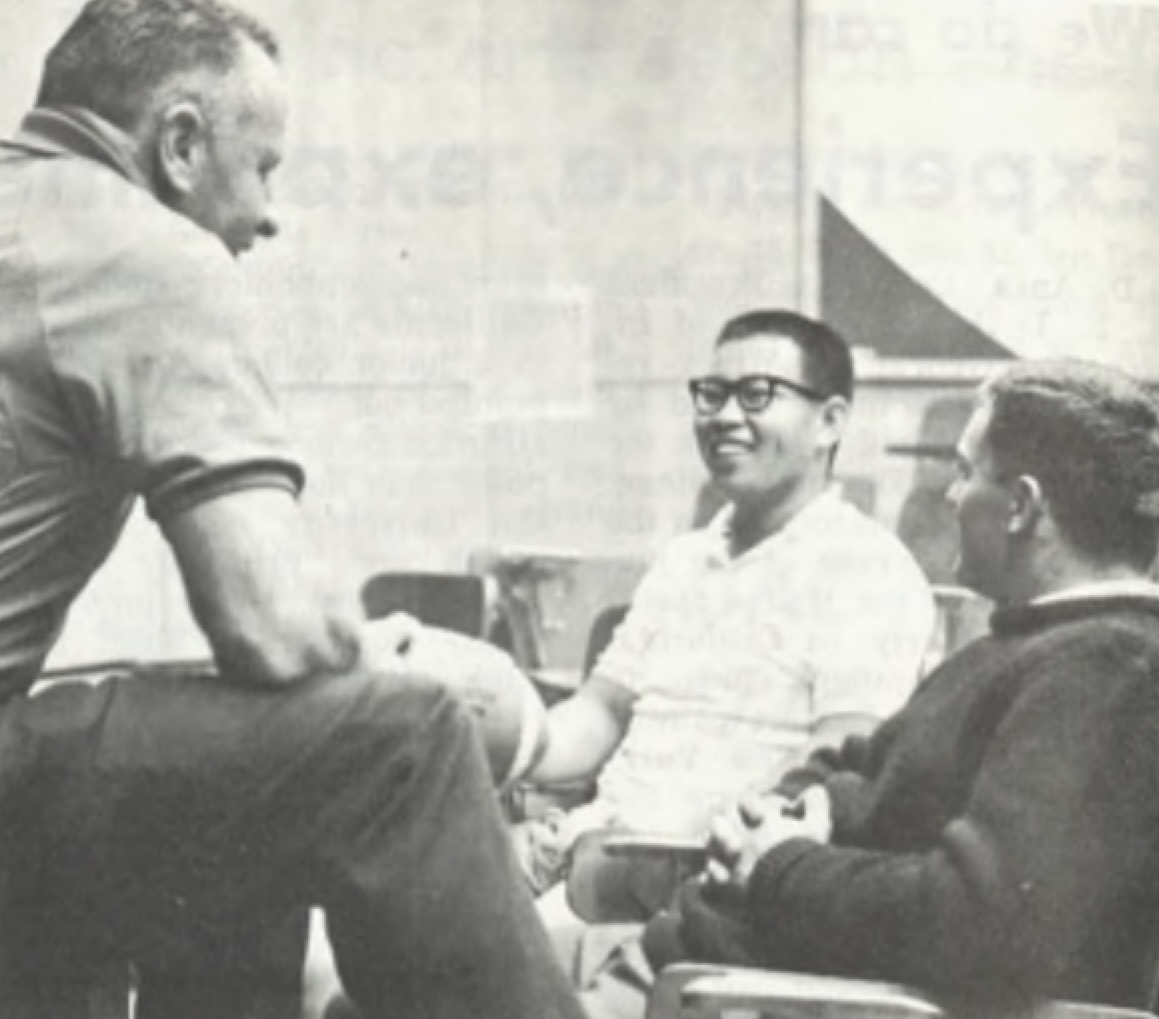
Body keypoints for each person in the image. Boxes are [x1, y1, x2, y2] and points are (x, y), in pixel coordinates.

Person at [0, 2, 584, 1017]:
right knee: (395, 738)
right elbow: (264, 624)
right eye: (263, 167)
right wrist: (379, 650)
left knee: (260, 760)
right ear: (180, 142)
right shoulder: (140, 247)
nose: (269, 214)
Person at [582, 359, 1159, 1018]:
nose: (948, 495)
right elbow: (866, 761)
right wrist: (817, 806)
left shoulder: (1107, 672)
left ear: (1021, 506)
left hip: (733, 994)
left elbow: (983, 918)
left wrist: (776, 865)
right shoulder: (1019, 645)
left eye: (964, 471)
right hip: (694, 967)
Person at [516, 311, 935, 912]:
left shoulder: (867, 570)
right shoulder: (683, 559)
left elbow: (837, 763)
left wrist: (641, 845)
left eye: (757, 394)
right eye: (712, 394)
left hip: (687, 886)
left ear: (829, 422)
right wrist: (502, 736)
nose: (725, 417)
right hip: (586, 852)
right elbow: (601, 711)